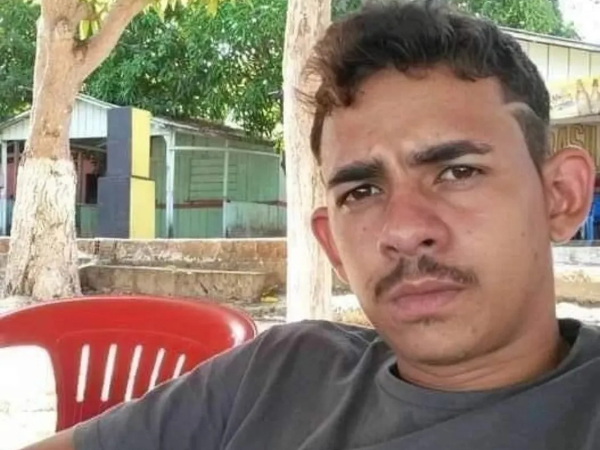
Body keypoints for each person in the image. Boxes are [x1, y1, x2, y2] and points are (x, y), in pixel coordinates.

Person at [22, 1, 600, 449]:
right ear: (332, 245)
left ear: (561, 197)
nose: (402, 229)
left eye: (457, 172)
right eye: (362, 191)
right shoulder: (276, 374)